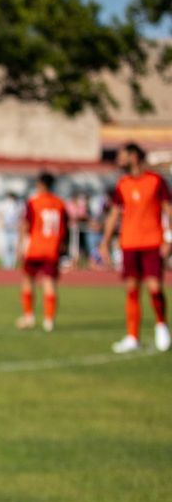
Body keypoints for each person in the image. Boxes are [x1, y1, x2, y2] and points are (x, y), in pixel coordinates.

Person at [99, 143, 172, 352]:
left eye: (123, 155)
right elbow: (114, 214)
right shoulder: (122, 184)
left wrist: (169, 238)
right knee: (132, 289)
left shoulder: (156, 181)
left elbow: (168, 210)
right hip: (130, 243)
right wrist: (104, 242)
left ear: (134, 156)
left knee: (155, 288)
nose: (120, 159)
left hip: (152, 241)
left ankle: (161, 325)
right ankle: (132, 336)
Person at [17, 173, 68, 332]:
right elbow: (65, 227)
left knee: (27, 280)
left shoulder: (34, 202)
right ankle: (49, 320)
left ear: (41, 185)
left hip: (35, 247)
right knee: (49, 284)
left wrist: (20, 245)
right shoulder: (60, 203)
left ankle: (29, 316)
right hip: (52, 248)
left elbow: (26, 224)